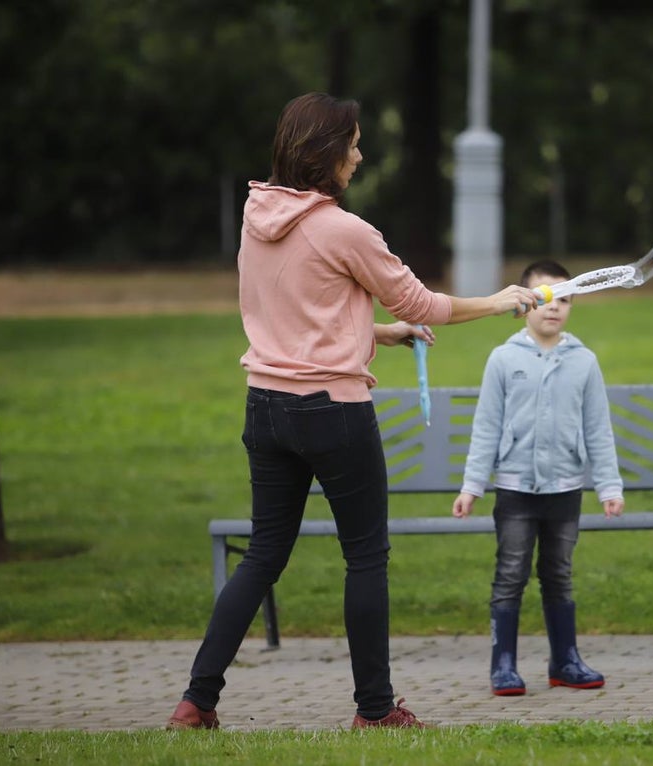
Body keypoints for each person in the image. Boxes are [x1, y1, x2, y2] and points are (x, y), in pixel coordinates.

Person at [166, 93, 538, 731]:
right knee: (366, 556)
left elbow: (297, 310)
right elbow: (423, 303)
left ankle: (196, 702)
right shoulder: (344, 228)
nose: (360, 157)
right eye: (354, 145)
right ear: (326, 152)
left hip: (266, 408)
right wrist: (501, 300)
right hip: (332, 413)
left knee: (261, 556)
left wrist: (378, 334)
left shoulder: (258, 219)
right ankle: (375, 711)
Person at [452, 260, 625, 697]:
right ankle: (503, 665)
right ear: (524, 304)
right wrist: (472, 485)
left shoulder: (584, 362)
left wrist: (609, 486)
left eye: (565, 299)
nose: (555, 308)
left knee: (559, 575)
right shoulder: (504, 359)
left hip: (565, 489)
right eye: (546, 298)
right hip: (514, 490)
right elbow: (487, 426)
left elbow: (597, 429)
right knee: (510, 574)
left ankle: (565, 661)